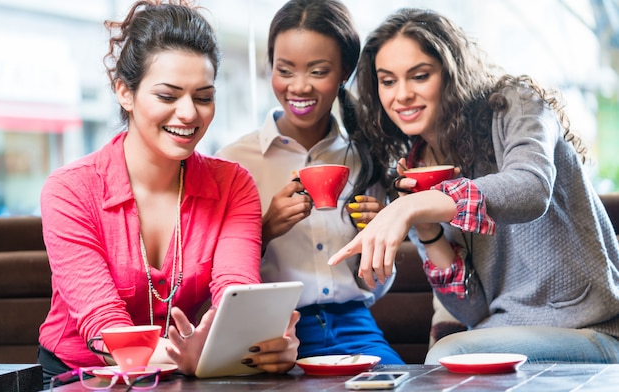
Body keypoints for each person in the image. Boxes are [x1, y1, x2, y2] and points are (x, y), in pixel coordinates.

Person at [329, 8, 619, 364]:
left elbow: (531, 189)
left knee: (447, 355)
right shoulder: (417, 169)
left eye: (419, 76)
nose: (401, 95)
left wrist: (412, 207)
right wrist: (426, 229)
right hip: (505, 332)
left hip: (592, 330)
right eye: (388, 81)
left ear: (450, 74)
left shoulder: (517, 105)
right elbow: (471, 311)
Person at [37, 1, 299, 387]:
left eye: (204, 96)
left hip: (187, 373)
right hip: (82, 375)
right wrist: (191, 357)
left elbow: (236, 295)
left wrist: (265, 346)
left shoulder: (234, 185)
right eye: (167, 96)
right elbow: (104, 327)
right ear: (125, 92)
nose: (189, 113)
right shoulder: (69, 190)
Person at [216, 0, 403, 364]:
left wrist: (378, 241)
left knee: (396, 382)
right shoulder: (234, 162)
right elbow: (216, 278)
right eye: (284, 70)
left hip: (355, 325)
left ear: (344, 72)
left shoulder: (366, 159)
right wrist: (265, 229)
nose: (298, 87)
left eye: (318, 71)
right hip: (271, 329)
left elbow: (373, 286)